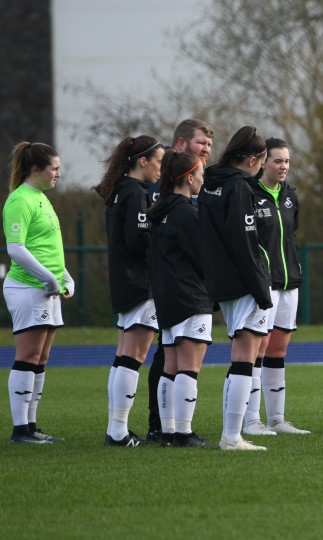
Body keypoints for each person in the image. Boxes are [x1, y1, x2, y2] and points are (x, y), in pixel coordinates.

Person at [198, 125, 273, 451]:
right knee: (246, 357)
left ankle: (232, 434)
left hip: (220, 281)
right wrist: (261, 289)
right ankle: (231, 436)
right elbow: (244, 242)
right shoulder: (241, 188)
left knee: (241, 356)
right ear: (254, 158)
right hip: (242, 282)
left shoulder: (210, 183)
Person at [146, 119, 214, 444]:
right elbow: (204, 257)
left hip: (168, 299)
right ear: (189, 178)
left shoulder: (160, 211)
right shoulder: (187, 211)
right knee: (189, 366)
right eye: (200, 175)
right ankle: (184, 433)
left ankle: (169, 431)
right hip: (191, 298)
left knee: (170, 366)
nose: (202, 180)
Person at [95, 135, 164, 447]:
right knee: (133, 356)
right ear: (143, 161)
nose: (161, 168)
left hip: (124, 280)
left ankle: (115, 429)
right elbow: (138, 240)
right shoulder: (136, 192)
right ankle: (119, 432)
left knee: (123, 355)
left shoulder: (120, 191)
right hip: (139, 283)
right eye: (159, 161)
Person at [3, 142, 73, 444]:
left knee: (41, 357)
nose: (59, 173)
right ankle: (21, 430)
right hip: (28, 288)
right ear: (36, 169)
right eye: (54, 168)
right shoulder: (20, 199)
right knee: (28, 355)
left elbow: (48, 247)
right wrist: (47, 278)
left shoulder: (42, 198)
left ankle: (32, 426)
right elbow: (15, 248)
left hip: (47, 289)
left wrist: (65, 277)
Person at [242, 137, 310, 436]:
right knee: (258, 348)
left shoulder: (290, 196)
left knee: (278, 350)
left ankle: (277, 419)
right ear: (262, 162)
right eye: (277, 161)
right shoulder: (248, 194)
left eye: (287, 161)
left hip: (289, 282)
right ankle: (252, 421)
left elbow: (291, 235)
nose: (283, 167)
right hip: (263, 282)